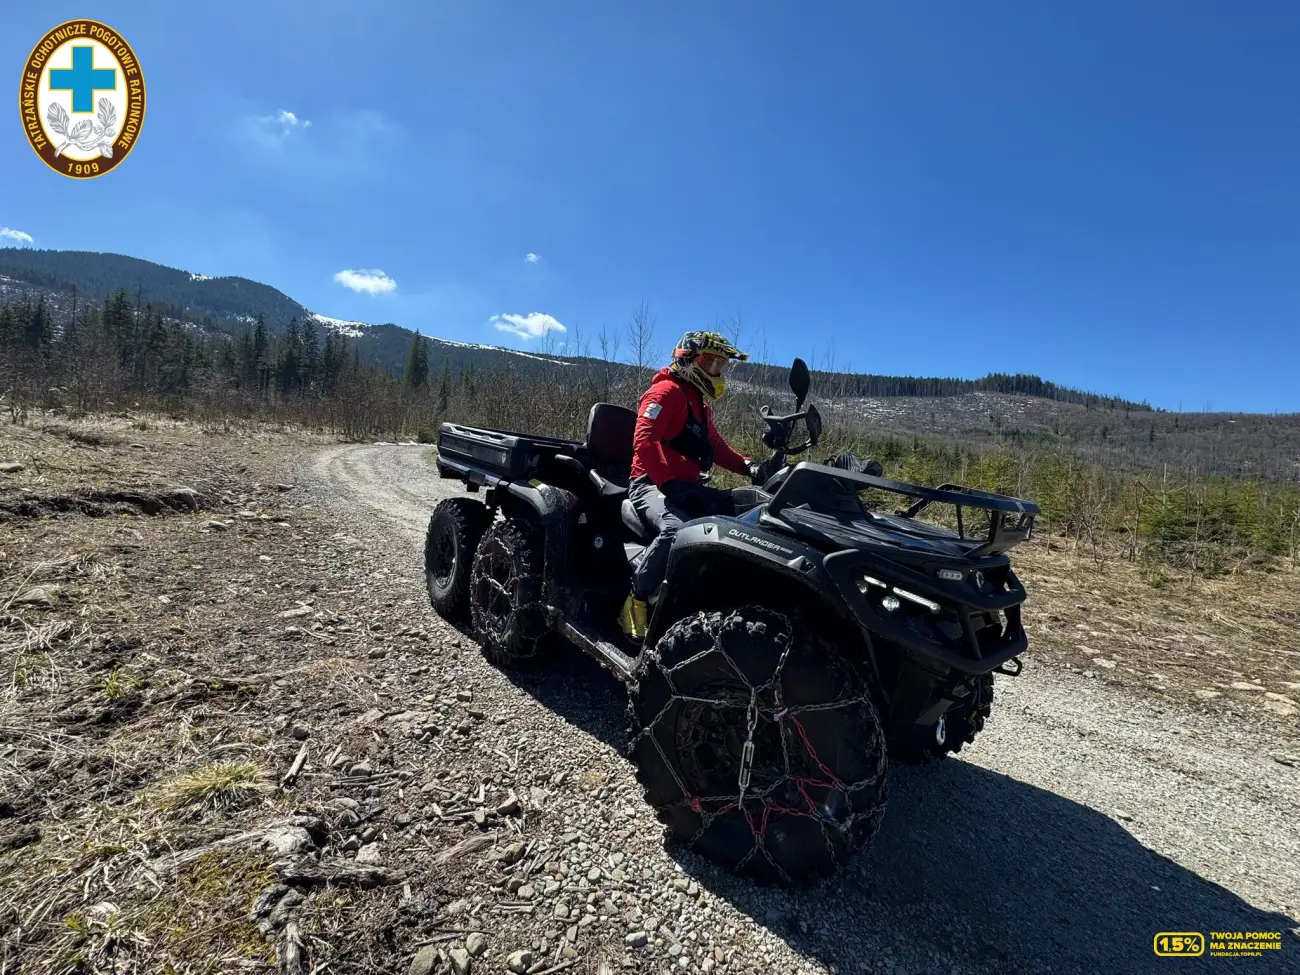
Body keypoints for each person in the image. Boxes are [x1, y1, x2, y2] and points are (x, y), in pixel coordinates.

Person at [619, 331, 769, 642]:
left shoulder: (697, 403)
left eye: (720, 365)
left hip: (686, 485)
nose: (717, 370)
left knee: (741, 514)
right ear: (688, 360)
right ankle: (636, 599)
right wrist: (667, 483)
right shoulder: (665, 392)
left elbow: (716, 446)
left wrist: (749, 466)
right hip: (649, 483)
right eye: (711, 362)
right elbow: (645, 439)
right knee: (677, 531)